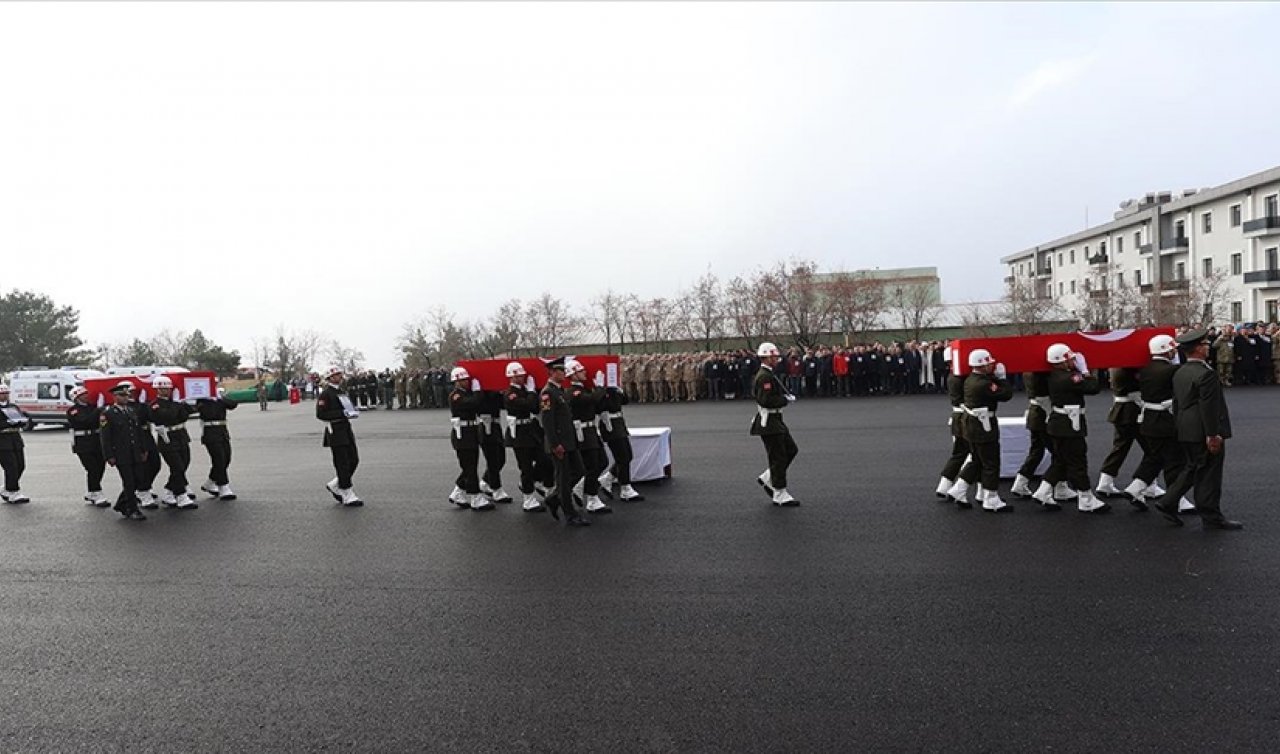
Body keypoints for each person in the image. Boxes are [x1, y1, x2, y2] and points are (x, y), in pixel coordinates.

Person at [1152, 329, 1244, 530]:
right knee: (1209, 474)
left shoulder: (1180, 371)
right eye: (1204, 344)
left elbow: (1178, 402)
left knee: (1193, 467)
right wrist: (1212, 434)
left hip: (1186, 428)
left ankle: (1168, 502)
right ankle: (1211, 516)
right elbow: (1209, 407)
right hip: (1203, 430)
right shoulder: (1206, 374)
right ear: (1197, 349)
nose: (1208, 347)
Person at [1031, 343, 1109, 514]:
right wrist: (1085, 371)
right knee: (1077, 460)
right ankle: (1086, 499)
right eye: (1071, 359)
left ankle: (1043, 491)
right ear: (1063, 361)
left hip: (1059, 424)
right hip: (1068, 425)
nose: (1074, 361)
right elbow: (1093, 388)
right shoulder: (1069, 378)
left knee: (1061, 460)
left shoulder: (1053, 376)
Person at [1125, 334, 1193, 514]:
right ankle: (1175, 499)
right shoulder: (1171, 370)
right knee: (1175, 460)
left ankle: (1136, 487)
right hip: (1165, 421)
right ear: (1166, 350)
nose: (1175, 351)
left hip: (1148, 419)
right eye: (1173, 349)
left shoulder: (1145, 369)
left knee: (1155, 457)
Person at [944, 349, 1013, 512]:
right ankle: (991, 498)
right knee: (990, 462)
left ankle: (959, 490)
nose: (991, 365)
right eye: (989, 363)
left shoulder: (971, 379)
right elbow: (1006, 395)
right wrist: (1002, 378)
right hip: (983, 426)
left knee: (977, 460)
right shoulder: (983, 384)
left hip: (972, 425)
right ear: (982, 365)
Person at [539, 357, 590, 526]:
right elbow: (547, 421)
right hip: (559, 444)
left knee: (579, 471)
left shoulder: (559, 391)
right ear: (552, 372)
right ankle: (570, 514)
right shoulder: (548, 393)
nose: (564, 373)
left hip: (569, 441)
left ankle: (554, 498)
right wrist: (555, 445)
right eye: (561, 370)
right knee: (563, 477)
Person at [751, 342, 799, 506]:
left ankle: (769, 476)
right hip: (769, 422)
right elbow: (765, 400)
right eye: (774, 357)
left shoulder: (769, 373)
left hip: (776, 420)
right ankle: (779, 492)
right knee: (778, 457)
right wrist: (784, 400)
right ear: (766, 358)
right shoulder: (764, 376)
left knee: (791, 450)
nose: (777, 359)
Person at [566, 359, 610, 514]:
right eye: (580, 371)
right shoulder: (573, 392)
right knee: (592, 465)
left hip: (591, 430)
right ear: (573, 375)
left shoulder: (584, 389)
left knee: (602, 462)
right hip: (582, 433)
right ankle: (592, 498)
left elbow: (596, 405)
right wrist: (599, 388)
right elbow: (591, 400)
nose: (584, 372)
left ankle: (581, 487)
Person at [502, 362, 546, 513]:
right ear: (512, 377)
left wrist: (532, 392)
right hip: (519, 434)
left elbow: (535, 408)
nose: (522, 378)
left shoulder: (523, 390)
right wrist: (532, 392)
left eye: (522, 375)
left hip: (530, 430)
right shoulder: (510, 394)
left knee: (544, 459)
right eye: (519, 375)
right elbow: (528, 405)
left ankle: (532, 481)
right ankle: (528, 499)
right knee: (525, 466)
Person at [99, 381, 147, 520]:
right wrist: (109, 455)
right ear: (115, 397)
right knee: (129, 481)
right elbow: (105, 437)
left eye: (127, 395)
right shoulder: (108, 414)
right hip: (121, 453)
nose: (126, 398)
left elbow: (138, 432)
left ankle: (121, 504)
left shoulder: (131, 411)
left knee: (139, 479)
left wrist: (143, 449)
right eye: (122, 395)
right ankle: (132, 509)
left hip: (135, 451)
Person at [149, 375, 199, 509]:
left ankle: (169, 490)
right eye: (162, 388)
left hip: (181, 436)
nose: (165, 391)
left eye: (167, 388)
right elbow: (168, 416)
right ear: (157, 389)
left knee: (184, 464)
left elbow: (188, 413)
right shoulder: (154, 404)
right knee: (177, 467)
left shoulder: (174, 402)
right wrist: (176, 404)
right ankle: (181, 496)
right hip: (167, 439)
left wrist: (183, 402)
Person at [447, 366, 492, 511]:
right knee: (470, 467)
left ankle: (458, 492)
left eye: (467, 379)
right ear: (457, 381)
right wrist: (478, 391)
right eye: (463, 380)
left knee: (469, 466)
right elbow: (473, 403)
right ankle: (475, 497)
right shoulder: (456, 396)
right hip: (462, 434)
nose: (467, 381)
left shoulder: (466, 393)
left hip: (470, 432)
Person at [317, 366, 363, 506]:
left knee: (353, 459)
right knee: (342, 462)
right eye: (336, 375)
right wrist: (341, 413)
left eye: (340, 374)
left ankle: (337, 483)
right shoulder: (326, 394)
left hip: (345, 428)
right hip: (335, 430)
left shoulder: (341, 391)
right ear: (330, 378)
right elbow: (321, 414)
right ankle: (347, 492)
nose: (340, 377)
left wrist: (352, 411)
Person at [1094, 366, 1143, 499]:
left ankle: (1106, 480)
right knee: (1152, 450)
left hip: (1122, 409)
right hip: (1132, 411)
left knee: (1120, 447)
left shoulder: (1116, 366)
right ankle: (1145, 483)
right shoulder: (1128, 368)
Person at [597, 379, 644, 502]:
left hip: (619, 424)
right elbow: (600, 407)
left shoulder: (613, 389)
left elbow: (625, 401)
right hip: (609, 426)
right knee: (623, 456)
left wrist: (618, 388)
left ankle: (607, 478)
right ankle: (625, 488)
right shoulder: (599, 391)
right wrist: (601, 389)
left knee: (627, 455)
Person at [66, 386, 109, 507]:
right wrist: (98, 410)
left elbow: (101, 422)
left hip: (96, 440)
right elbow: (85, 421)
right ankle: (96, 492)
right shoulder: (73, 411)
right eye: (82, 395)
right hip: (83, 443)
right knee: (92, 468)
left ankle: (92, 491)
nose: (86, 396)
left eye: (86, 393)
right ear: (76, 398)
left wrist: (102, 410)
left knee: (100, 466)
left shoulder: (92, 407)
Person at [1010, 371, 1050, 498]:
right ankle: (1056, 486)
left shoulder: (1028, 372)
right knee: (1059, 453)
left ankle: (1021, 482)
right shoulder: (1041, 374)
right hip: (1044, 414)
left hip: (1036, 413)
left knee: (1037, 451)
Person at [935, 367, 970, 500]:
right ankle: (962, 489)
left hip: (957, 416)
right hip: (966, 418)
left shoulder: (952, 376)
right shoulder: (964, 378)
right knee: (976, 456)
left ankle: (944, 485)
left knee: (959, 454)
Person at [197, 389, 238, 501]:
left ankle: (210, 482)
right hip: (210, 433)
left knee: (226, 459)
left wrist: (220, 398)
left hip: (222, 432)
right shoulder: (202, 400)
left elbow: (233, 404)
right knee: (219, 459)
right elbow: (209, 413)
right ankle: (223, 486)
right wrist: (210, 399)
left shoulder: (219, 399)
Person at [477, 389, 513, 504]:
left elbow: (502, 405)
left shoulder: (494, 391)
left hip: (496, 425)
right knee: (493, 460)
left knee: (500, 459)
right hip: (486, 425)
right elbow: (480, 407)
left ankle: (486, 481)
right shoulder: (480, 392)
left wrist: (501, 393)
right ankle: (496, 489)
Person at [0, 383, 32, 504]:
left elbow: (21, 418)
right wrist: (8, 423)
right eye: (2, 394)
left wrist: (22, 421)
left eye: (6, 393)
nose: (5, 396)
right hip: (2, 440)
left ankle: (7, 488)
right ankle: (13, 491)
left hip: (15, 438)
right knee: (11, 466)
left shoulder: (13, 406)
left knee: (20, 465)